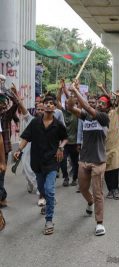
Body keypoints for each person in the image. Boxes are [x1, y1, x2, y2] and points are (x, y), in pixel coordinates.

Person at [14, 94, 68, 235]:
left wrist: (61, 147)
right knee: (42, 189)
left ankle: (49, 220)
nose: (49, 105)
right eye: (47, 103)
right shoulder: (35, 123)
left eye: (52, 103)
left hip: (51, 162)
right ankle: (46, 201)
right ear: (43, 106)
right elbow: (25, 138)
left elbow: (65, 139)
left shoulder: (58, 125)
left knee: (49, 190)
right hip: (37, 163)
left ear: (55, 107)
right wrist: (19, 150)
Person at [67, 82, 110, 236]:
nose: (99, 104)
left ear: (107, 107)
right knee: (83, 188)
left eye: (102, 103)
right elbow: (70, 107)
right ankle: (89, 202)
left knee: (98, 192)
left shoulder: (104, 118)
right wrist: (72, 94)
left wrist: (77, 91)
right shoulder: (85, 118)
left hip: (98, 161)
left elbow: (86, 106)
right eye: (99, 102)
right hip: (84, 159)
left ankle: (99, 223)